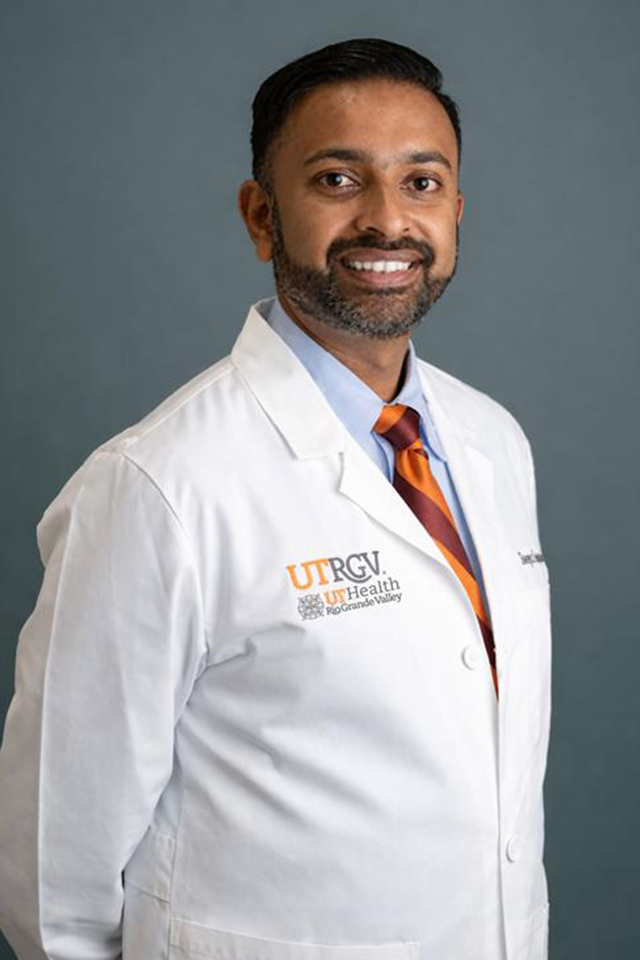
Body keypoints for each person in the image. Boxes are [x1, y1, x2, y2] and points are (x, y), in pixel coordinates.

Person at [0, 37, 552, 960]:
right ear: (261, 217)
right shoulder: (156, 486)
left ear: (456, 211)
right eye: (338, 180)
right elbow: (54, 884)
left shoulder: (493, 440)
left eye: (422, 183)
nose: (388, 221)